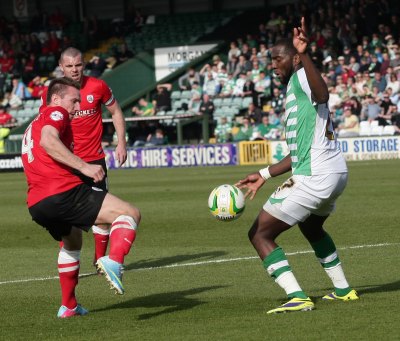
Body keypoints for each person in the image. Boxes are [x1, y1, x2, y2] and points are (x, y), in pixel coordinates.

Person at [236, 17, 358, 315]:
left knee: (259, 234)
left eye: (277, 59)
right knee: (311, 226)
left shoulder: (302, 75)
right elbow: (298, 152)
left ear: (292, 57)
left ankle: (298, 296)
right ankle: (343, 290)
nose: (273, 65)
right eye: (271, 60)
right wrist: (264, 174)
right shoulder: (294, 84)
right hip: (333, 171)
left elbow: (323, 94)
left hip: (315, 175)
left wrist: (304, 53)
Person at [21, 78, 140, 318]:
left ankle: (69, 306)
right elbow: (48, 141)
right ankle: (113, 260)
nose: (77, 106)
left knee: (73, 242)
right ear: (56, 99)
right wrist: (84, 167)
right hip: (62, 192)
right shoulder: (56, 112)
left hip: (37, 203)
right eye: (74, 100)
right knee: (129, 212)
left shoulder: (34, 122)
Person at [39, 47, 128, 272]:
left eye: (78, 65)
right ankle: (70, 262)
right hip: (67, 164)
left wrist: (121, 142)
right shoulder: (52, 92)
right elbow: (45, 126)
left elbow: (116, 112)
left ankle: (100, 262)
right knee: (66, 219)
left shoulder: (98, 86)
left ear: (84, 64)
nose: (74, 70)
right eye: (69, 66)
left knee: (104, 215)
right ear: (61, 66)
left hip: (95, 160)